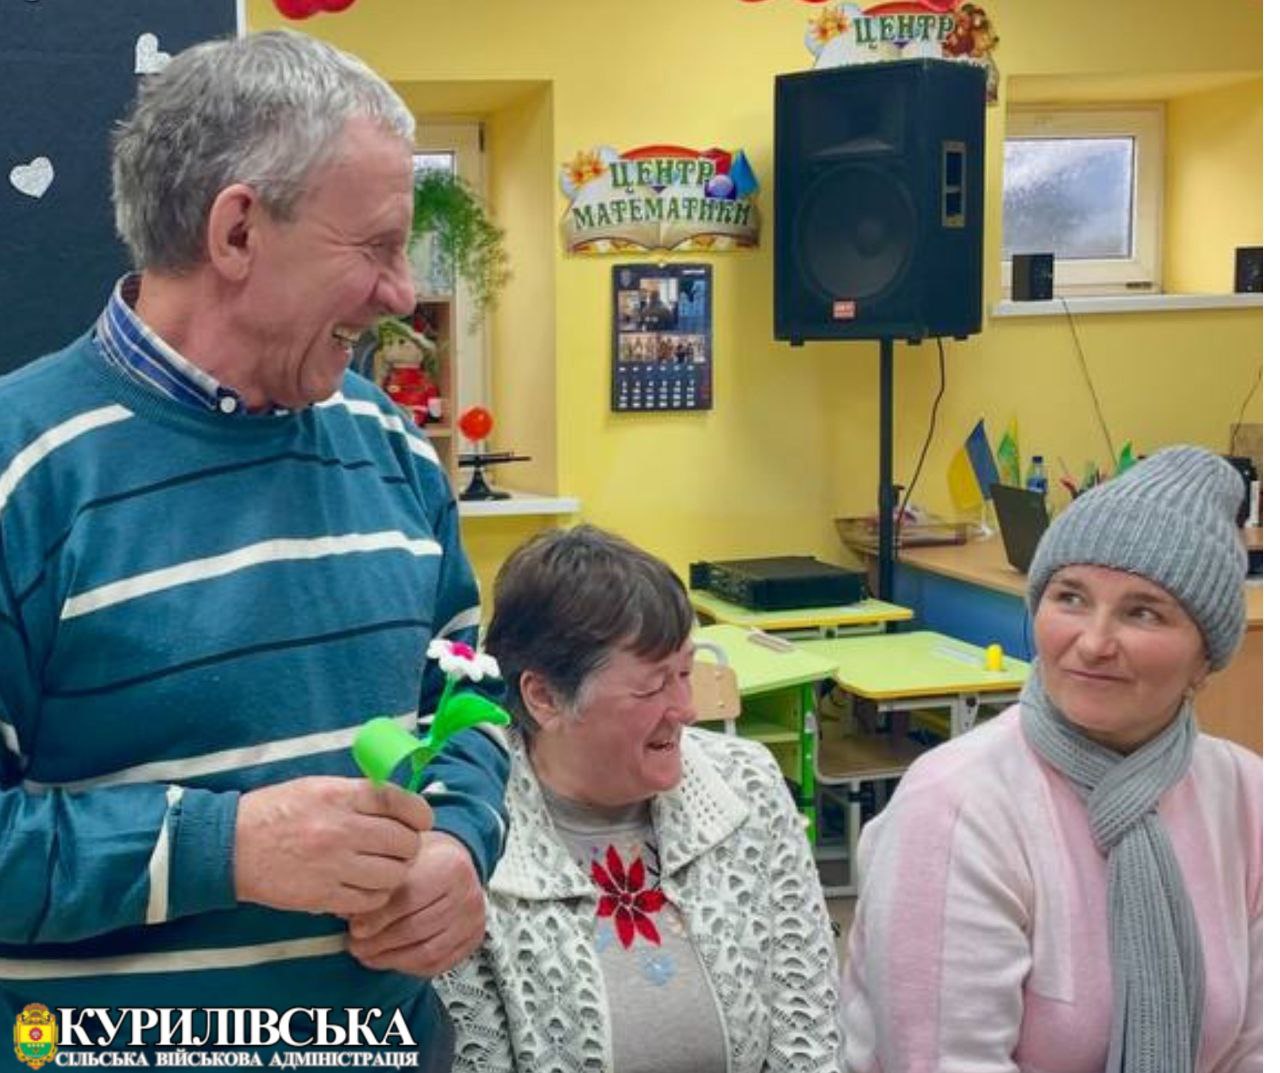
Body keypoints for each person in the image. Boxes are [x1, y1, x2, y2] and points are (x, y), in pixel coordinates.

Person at [0, 30, 508, 1069]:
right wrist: (224, 848)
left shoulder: (391, 447)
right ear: (237, 231)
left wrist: (462, 840)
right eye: (375, 246)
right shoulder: (23, 473)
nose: (400, 292)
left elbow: (467, 686)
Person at [840, 445, 1261, 1073]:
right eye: (1070, 598)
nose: (1093, 642)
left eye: (1143, 612)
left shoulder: (1249, 797)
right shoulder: (955, 806)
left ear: (1207, 656)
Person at [437, 525, 841, 1073]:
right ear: (545, 697)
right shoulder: (466, 839)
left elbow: (808, 1036)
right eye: (653, 687)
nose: (687, 709)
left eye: (686, 672)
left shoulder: (747, 785)